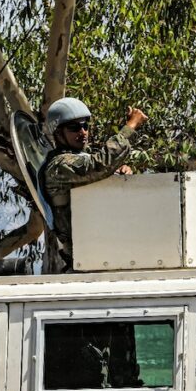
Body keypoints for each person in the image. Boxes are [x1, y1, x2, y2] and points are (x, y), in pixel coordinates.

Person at [40, 97, 148, 272]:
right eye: (74, 128)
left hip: (99, 249)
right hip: (85, 257)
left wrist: (116, 174)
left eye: (85, 126)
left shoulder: (75, 159)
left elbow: (97, 171)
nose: (82, 132)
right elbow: (98, 165)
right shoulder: (59, 166)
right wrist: (130, 127)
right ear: (58, 133)